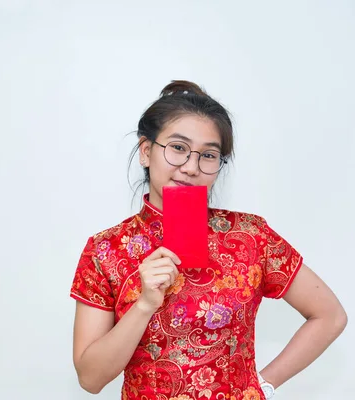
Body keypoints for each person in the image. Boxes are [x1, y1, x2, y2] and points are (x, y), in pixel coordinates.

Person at [69, 80, 348, 400]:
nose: (191, 167)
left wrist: (263, 386)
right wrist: (144, 304)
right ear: (147, 151)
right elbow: (90, 379)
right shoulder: (106, 249)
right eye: (177, 148)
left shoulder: (250, 236)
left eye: (208, 155)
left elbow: (330, 316)